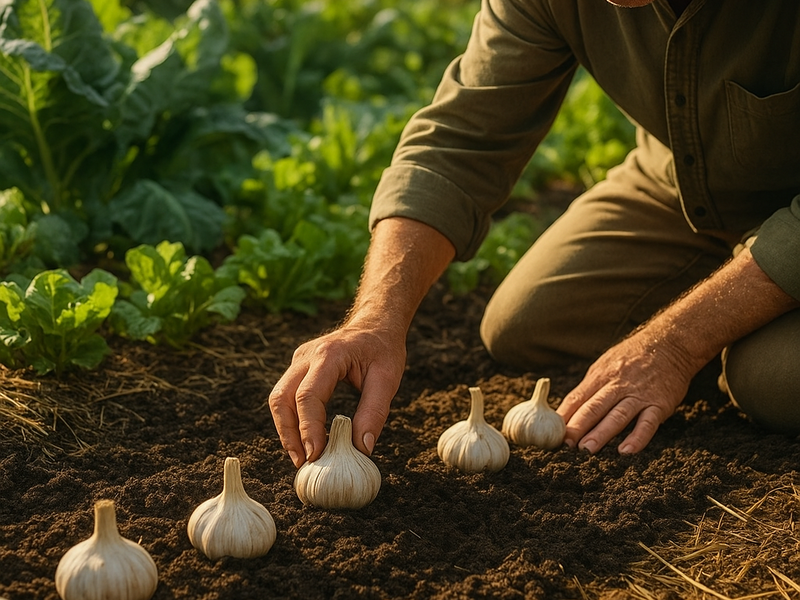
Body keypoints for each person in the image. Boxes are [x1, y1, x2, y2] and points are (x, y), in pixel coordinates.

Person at [269, 0, 800, 468]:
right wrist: (375, 320)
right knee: (525, 322)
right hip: (678, 186)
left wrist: (678, 344)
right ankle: (743, 302)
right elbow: (460, 143)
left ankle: (742, 328)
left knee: (771, 381)